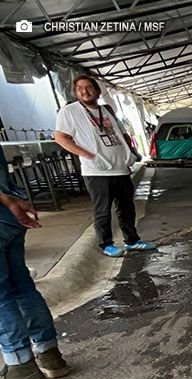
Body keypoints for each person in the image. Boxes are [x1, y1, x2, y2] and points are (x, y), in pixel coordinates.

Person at [54, 74, 155, 258]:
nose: (84, 91)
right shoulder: (70, 111)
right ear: (75, 92)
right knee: (102, 209)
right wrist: (87, 155)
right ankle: (106, 244)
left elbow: (122, 134)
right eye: (79, 88)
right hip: (97, 171)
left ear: (97, 90)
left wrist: (130, 152)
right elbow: (60, 138)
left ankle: (132, 241)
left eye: (89, 87)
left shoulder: (106, 109)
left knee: (127, 208)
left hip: (120, 167)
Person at [0, 148, 70, 379]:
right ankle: (49, 354)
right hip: (9, 216)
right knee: (22, 287)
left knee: (2, 295)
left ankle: (20, 366)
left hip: (6, 206)